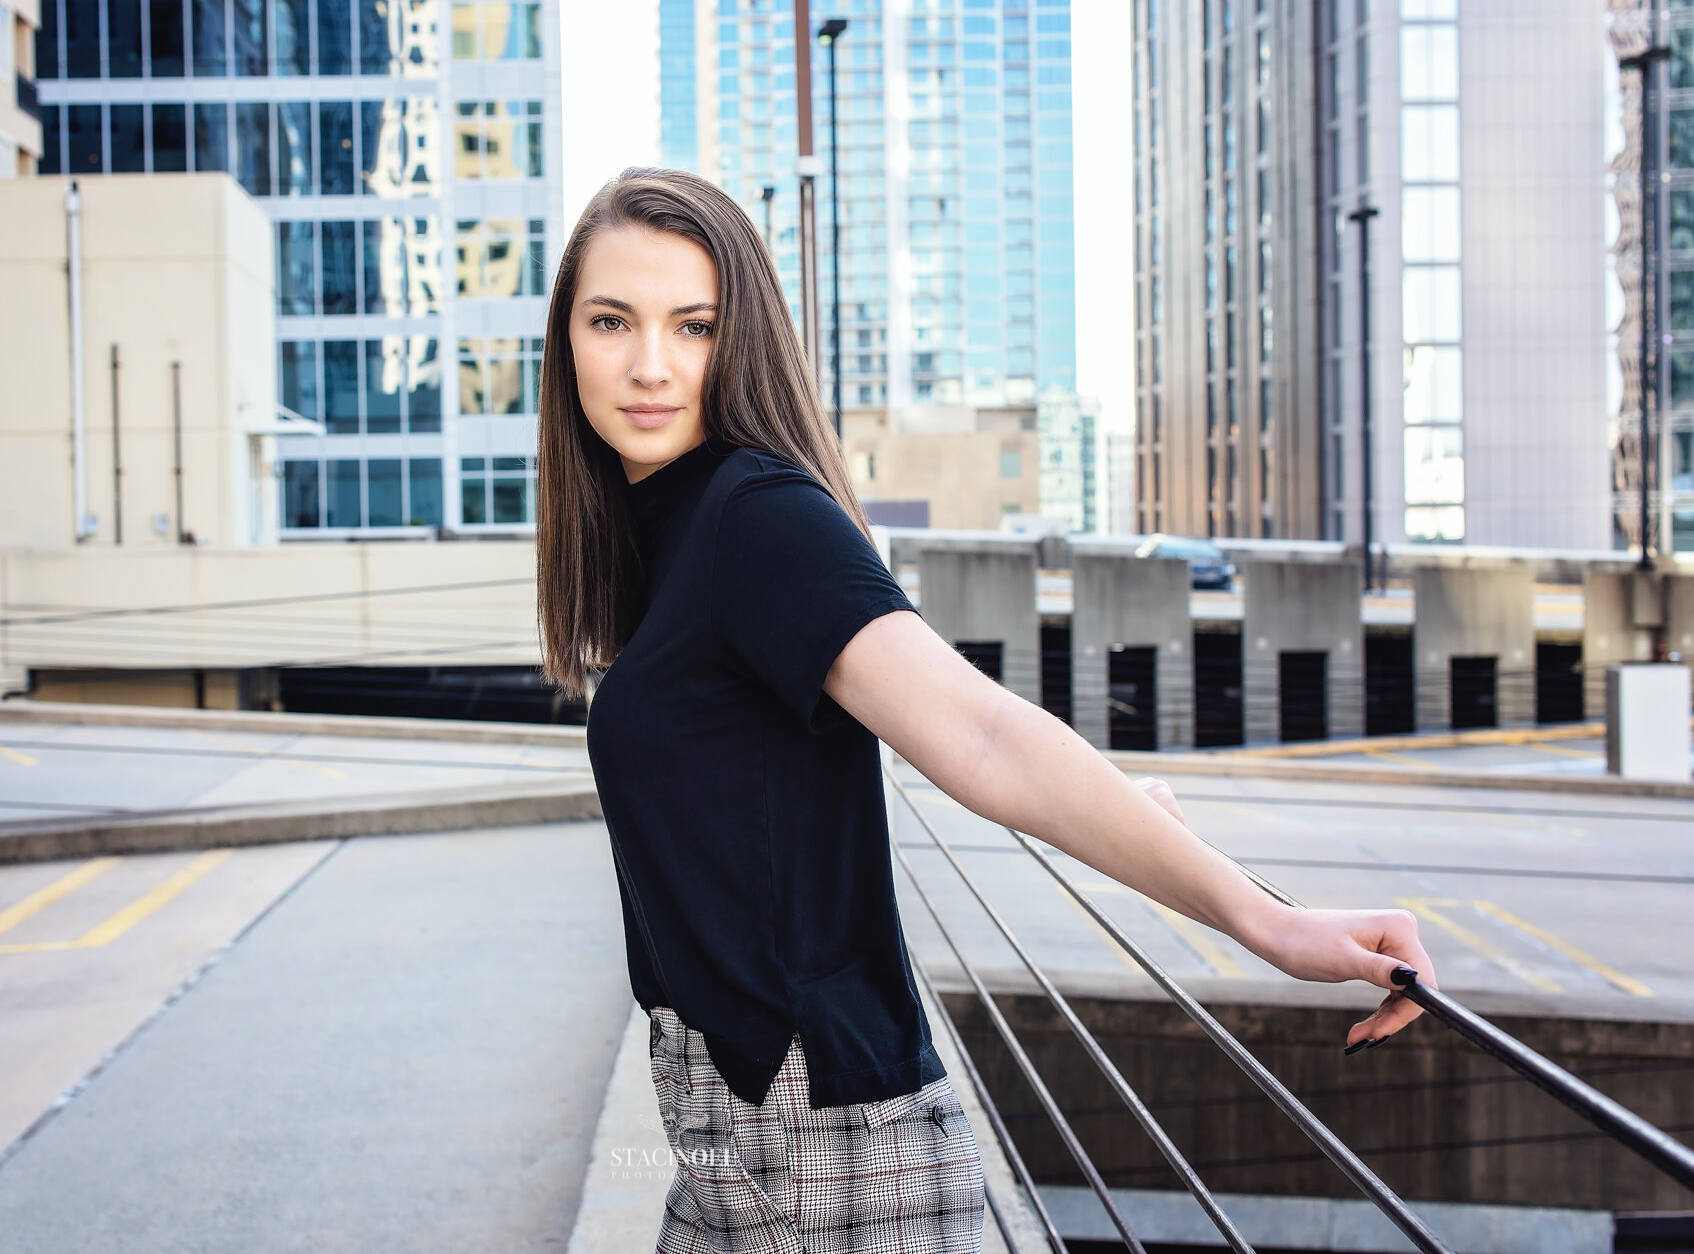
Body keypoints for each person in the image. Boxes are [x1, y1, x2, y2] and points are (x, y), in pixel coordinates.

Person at [536, 168, 1436, 1254]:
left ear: (741, 342)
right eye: (610, 320)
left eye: (694, 325)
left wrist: (1266, 919)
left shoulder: (755, 516)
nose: (648, 364)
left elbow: (981, 731)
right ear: (566, 340)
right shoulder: (665, 531)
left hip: (829, 1155)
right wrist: (1121, 800)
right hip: (732, 1142)